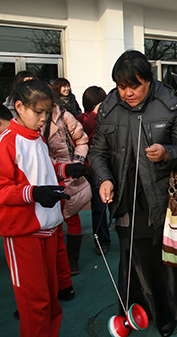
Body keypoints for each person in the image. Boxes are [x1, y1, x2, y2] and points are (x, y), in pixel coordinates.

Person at [88, 50, 177, 337]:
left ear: (148, 81)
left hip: (162, 195)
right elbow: (97, 151)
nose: (127, 93)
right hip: (124, 194)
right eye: (121, 86)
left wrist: (166, 153)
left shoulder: (171, 104)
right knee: (130, 253)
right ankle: (131, 310)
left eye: (134, 86)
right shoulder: (109, 106)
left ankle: (169, 313)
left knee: (164, 258)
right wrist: (104, 179)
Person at [0, 79, 84, 336]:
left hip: (49, 231)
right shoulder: (5, 142)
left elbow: (41, 174)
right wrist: (33, 194)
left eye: (47, 113)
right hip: (23, 235)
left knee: (51, 300)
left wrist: (64, 169)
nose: (42, 118)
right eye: (37, 112)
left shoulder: (37, 138)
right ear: (19, 107)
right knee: (34, 304)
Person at [43, 98, 91, 275]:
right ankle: (54, 260)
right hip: (43, 176)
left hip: (69, 174)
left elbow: (81, 140)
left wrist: (76, 162)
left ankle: (72, 260)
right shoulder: (26, 121)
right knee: (48, 222)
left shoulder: (63, 116)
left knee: (71, 215)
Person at [76, 86, 111, 255]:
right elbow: (83, 133)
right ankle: (101, 241)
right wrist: (94, 115)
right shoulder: (81, 118)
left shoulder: (109, 116)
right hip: (92, 168)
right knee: (99, 206)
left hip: (110, 163)